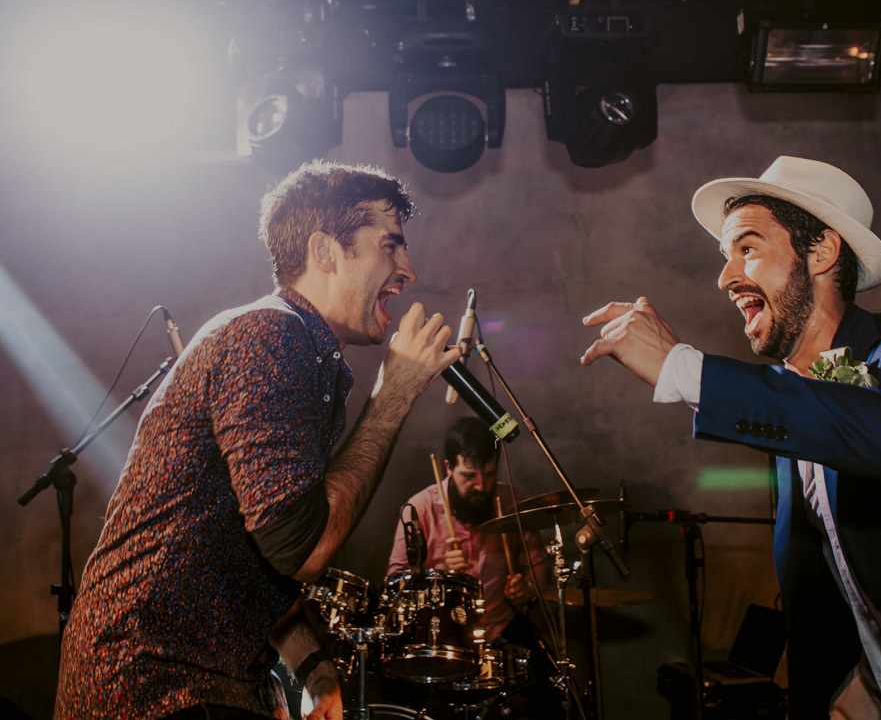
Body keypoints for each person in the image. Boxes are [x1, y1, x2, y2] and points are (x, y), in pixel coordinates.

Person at [580, 156, 881, 720]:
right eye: (725, 257)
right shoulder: (794, 399)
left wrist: (684, 368)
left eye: (746, 248)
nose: (725, 278)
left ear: (821, 252)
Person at [54, 160, 462, 720]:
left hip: (193, 681)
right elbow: (303, 548)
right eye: (389, 246)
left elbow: (255, 559)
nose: (408, 269)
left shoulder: (300, 353)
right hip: (152, 685)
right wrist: (392, 397)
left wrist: (317, 672)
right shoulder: (268, 336)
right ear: (324, 251)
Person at [384, 416, 556, 716]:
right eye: (469, 475)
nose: (481, 485)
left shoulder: (511, 501)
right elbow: (394, 581)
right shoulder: (420, 508)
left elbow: (540, 568)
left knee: (556, 691)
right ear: (449, 468)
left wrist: (527, 588)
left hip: (501, 625)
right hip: (442, 635)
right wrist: (432, 577)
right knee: (398, 699)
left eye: (489, 475)